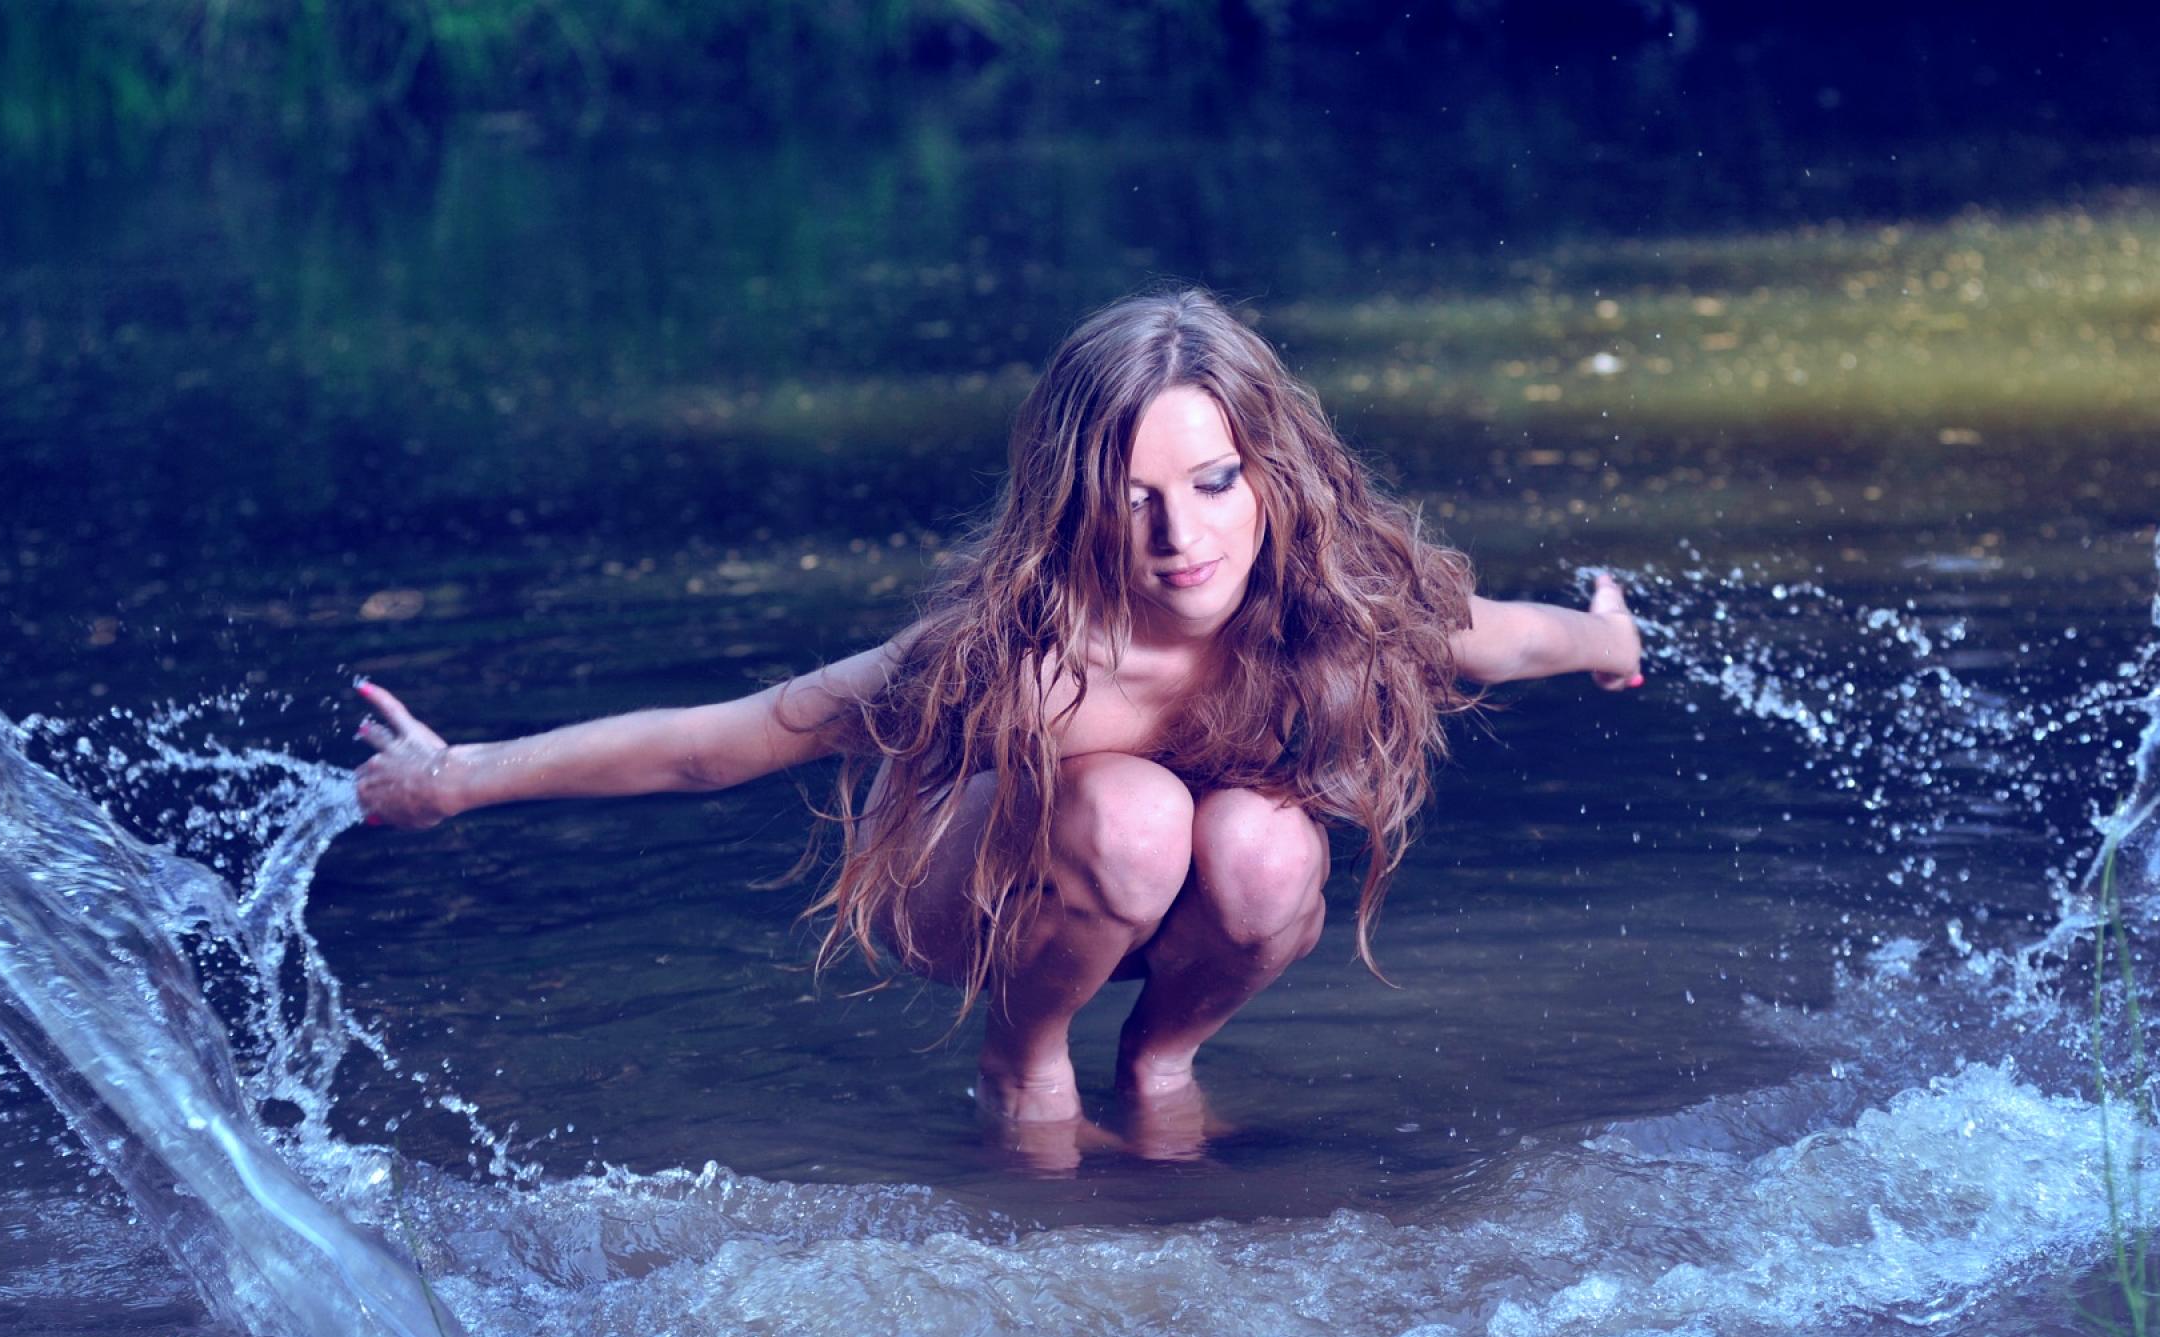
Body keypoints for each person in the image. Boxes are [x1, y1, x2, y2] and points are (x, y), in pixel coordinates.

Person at [354, 289, 1642, 1160]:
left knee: (1273, 849)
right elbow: (723, 740)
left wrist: (1608, 639)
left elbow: (1510, 633)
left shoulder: (1340, 608)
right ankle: (1023, 1067)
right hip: (967, 887)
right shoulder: (1015, 659)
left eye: (1210, 484)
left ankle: (1156, 1066)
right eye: (1132, 497)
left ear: (1274, 478)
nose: (1179, 538)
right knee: (1135, 812)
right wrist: (457, 776)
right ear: (1075, 503)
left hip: (1155, 898)